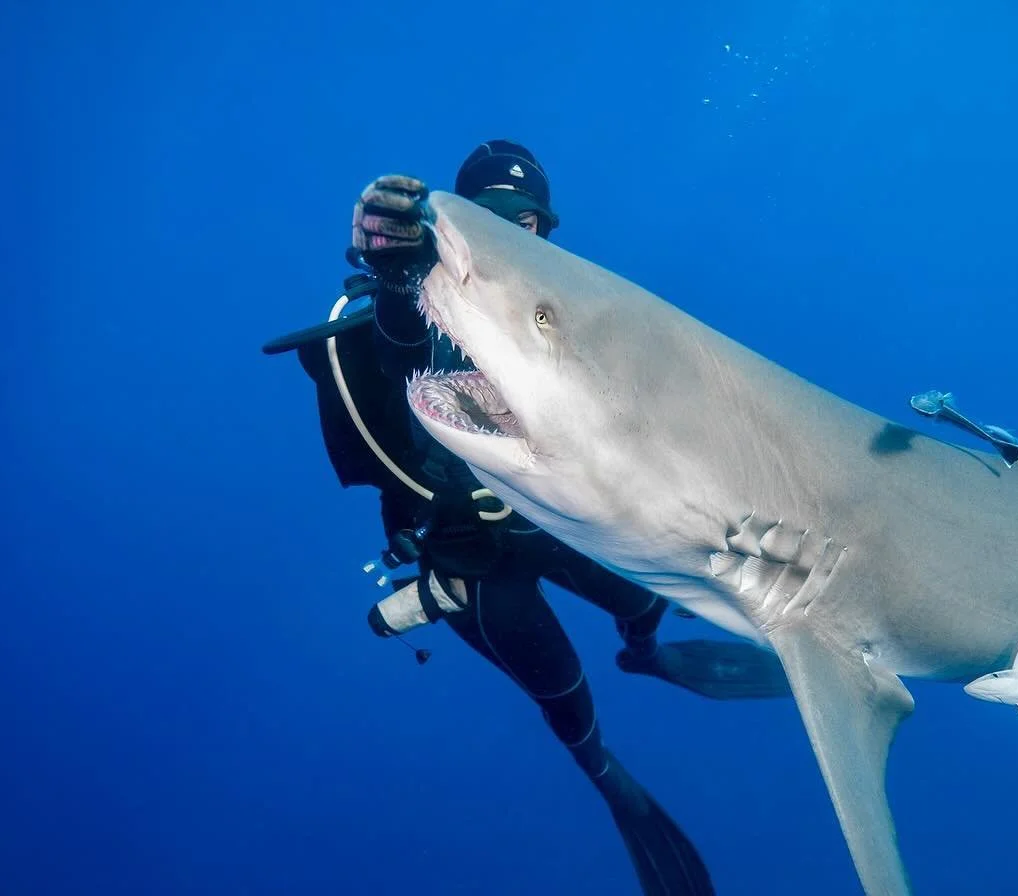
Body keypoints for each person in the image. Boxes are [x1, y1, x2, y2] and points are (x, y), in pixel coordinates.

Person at [269, 140, 788, 896]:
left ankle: (648, 657)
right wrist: (393, 278)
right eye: (499, 220)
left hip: (550, 517)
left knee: (642, 603)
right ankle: (610, 780)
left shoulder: (548, 312)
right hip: (473, 561)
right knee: (565, 693)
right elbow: (404, 351)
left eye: (535, 223)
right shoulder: (425, 304)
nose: (523, 237)